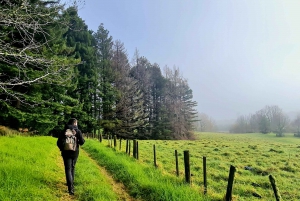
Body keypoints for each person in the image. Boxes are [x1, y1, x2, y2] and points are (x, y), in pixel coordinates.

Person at [57, 118, 85, 195]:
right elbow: (82, 142)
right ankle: (71, 184)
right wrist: (78, 141)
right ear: (75, 123)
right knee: (72, 167)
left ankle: (70, 188)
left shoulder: (64, 131)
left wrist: (62, 149)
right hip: (75, 152)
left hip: (65, 152)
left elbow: (58, 142)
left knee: (68, 169)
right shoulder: (77, 131)